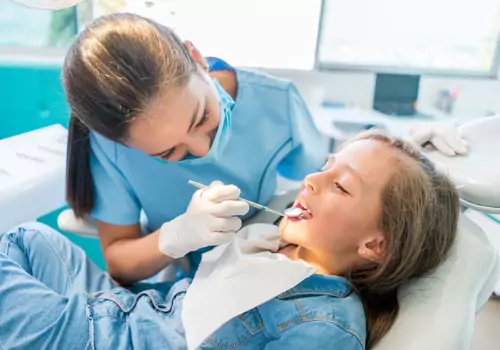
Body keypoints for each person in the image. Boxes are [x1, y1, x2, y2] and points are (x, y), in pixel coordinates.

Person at [63, 12, 466, 285]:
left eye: (202, 118)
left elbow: (336, 178)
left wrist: (406, 159)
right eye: (167, 153)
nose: (202, 150)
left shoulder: (275, 102)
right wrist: (174, 238)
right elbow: (118, 261)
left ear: (195, 57)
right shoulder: (107, 147)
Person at [0, 130, 459, 349]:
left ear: (375, 246)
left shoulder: (327, 327)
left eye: (341, 185)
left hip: (103, 340)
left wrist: (408, 178)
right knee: (24, 237)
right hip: (125, 310)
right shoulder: (268, 248)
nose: (312, 181)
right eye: (325, 165)